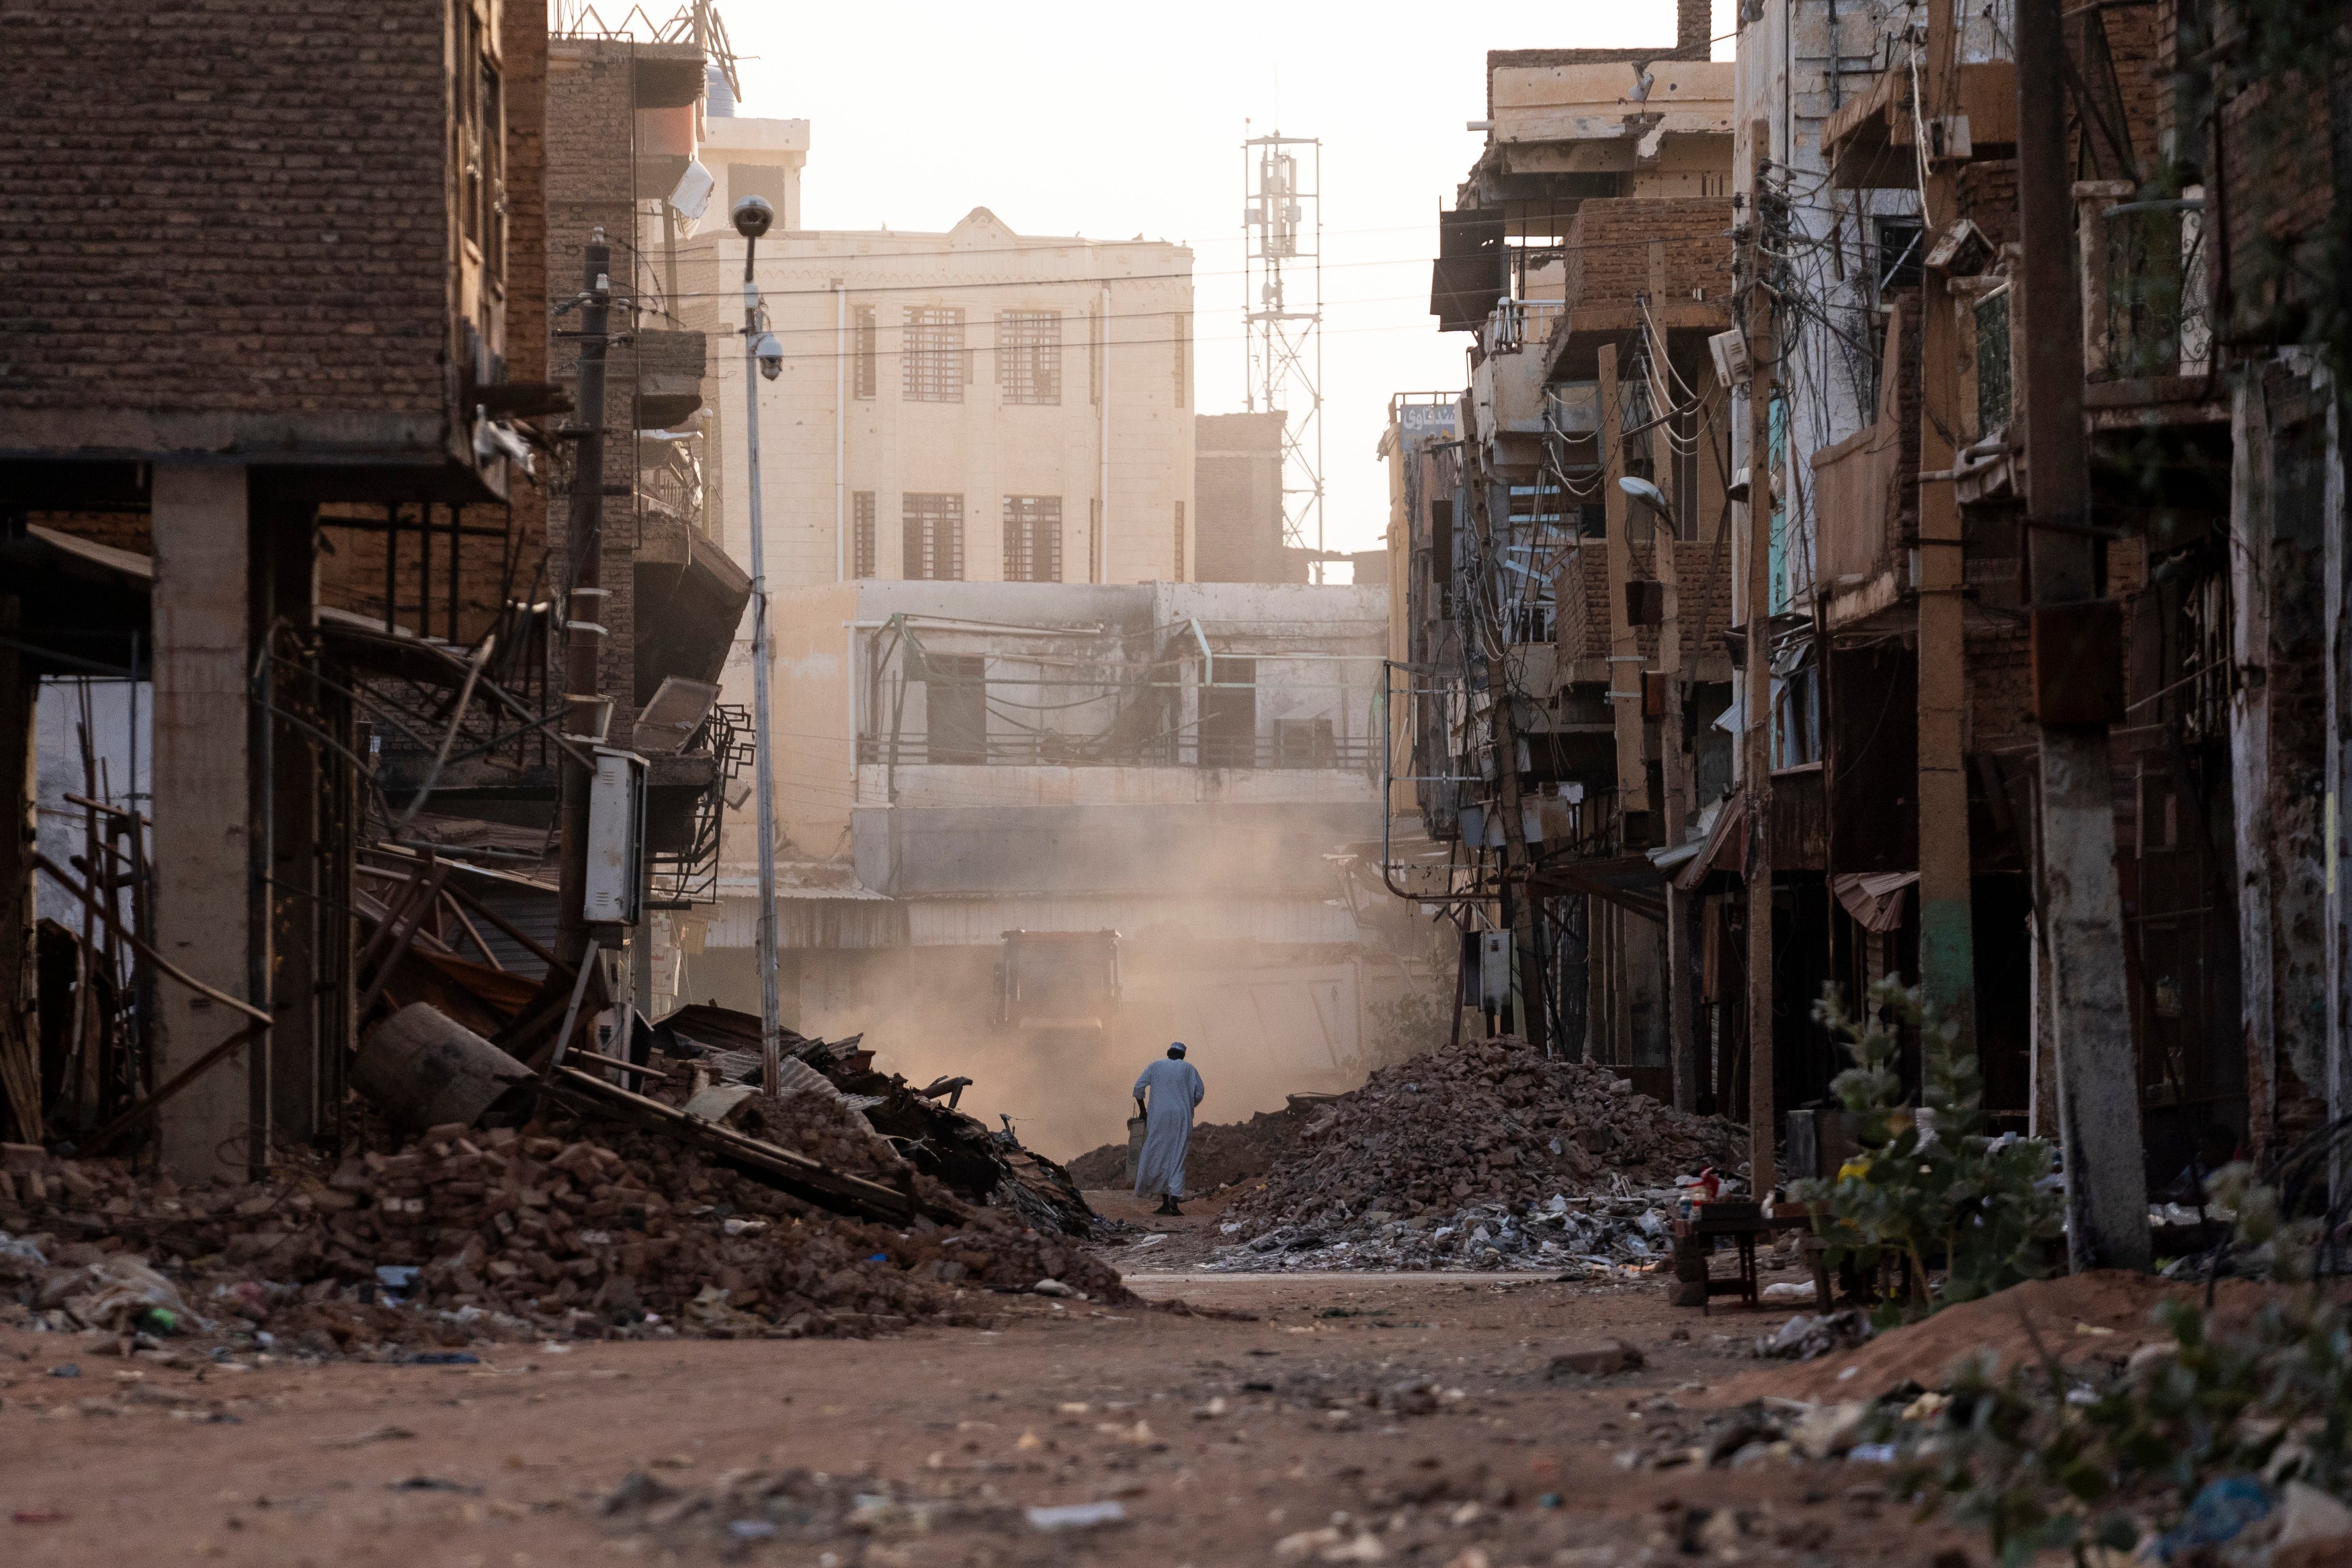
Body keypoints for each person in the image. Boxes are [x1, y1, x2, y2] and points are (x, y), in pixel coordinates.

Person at [1132, 1043, 1205, 1217]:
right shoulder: (1189, 1069)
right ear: (1183, 1056)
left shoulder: (1155, 1065)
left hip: (1159, 1117)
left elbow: (1138, 1088)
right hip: (1182, 1118)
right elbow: (1199, 1093)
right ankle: (1173, 1201)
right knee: (1177, 1157)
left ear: (1168, 1053)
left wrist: (1143, 1111)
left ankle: (1165, 1203)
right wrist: (1187, 1104)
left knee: (1159, 1156)